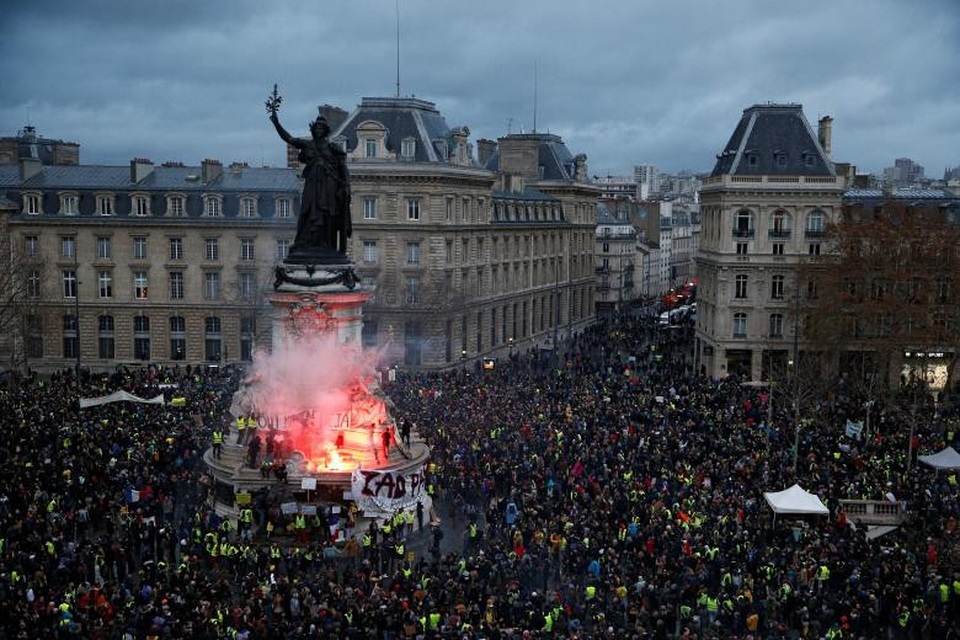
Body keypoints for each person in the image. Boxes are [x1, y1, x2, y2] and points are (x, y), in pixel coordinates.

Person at [267, 88, 351, 259]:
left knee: (328, 215)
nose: (319, 129)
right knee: (308, 211)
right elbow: (290, 139)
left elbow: (344, 168)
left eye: (322, 127)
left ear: (325, 130)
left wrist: (347, 186)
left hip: (329, 186)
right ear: (314, 130)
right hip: (313, 184)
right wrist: (276, 123)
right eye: (317, 127)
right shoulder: (308, 145)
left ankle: (327, 245)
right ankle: (307, 242)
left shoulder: (333, 148)